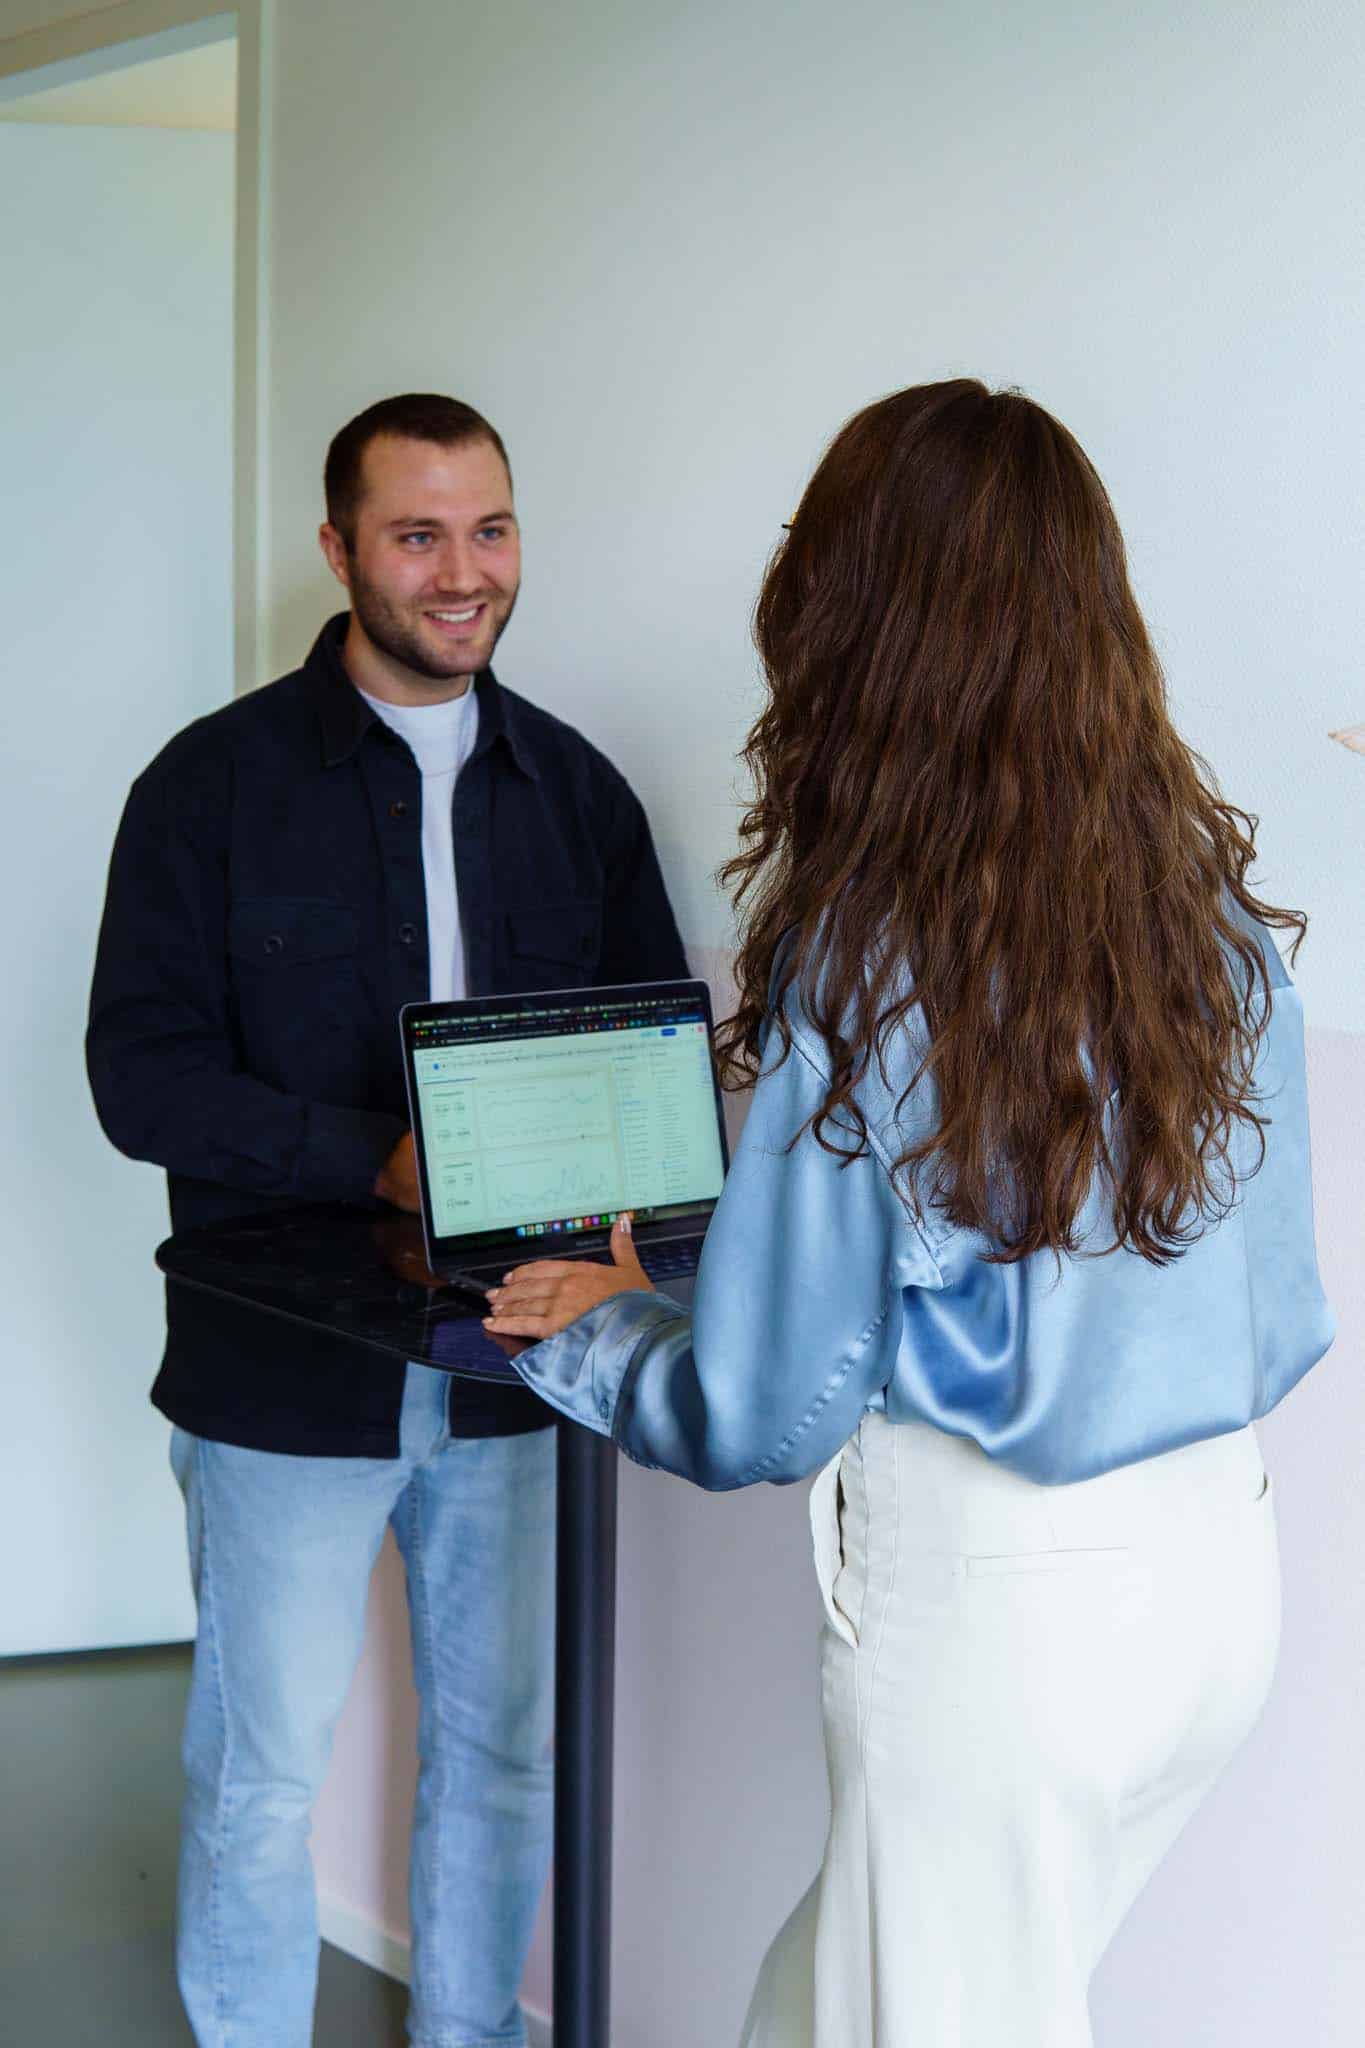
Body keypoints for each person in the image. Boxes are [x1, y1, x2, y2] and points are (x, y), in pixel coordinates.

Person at [481, 380, 1336, 2047]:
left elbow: (766, 1410)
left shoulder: (874, 959)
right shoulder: (1208, 922)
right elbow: (1209, 1277)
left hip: (999, 1625)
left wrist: (598, 1339)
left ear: (850, 616)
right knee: (814, 2009)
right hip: (1215, 1594)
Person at [86, 392, 688, 2048]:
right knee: (260, 1771)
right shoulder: (205, 788)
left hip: (523, 1366)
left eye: (488, 529)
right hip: (279, 1374)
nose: (461, 571)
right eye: (417, 534)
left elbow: (651, 1066)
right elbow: (138, 1082)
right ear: (339, 547)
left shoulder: (578, 793)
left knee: (502, 1755)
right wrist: (378, 1159)